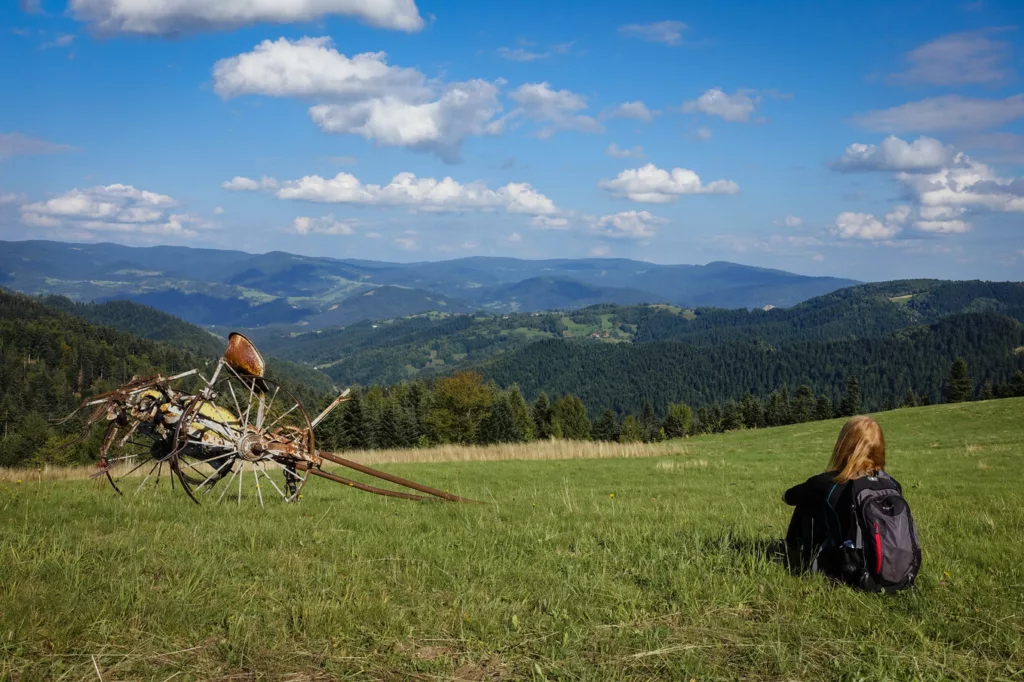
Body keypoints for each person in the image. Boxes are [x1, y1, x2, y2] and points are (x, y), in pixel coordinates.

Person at [782, 415, 902, 577]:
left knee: (807, 500)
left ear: (844, 446)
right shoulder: (893, 485)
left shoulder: (827, 483)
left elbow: (789, 497)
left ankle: (792, 552)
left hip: (843, 569)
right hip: (890, 565)